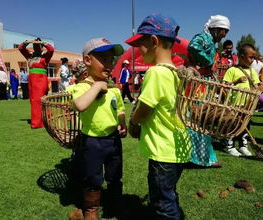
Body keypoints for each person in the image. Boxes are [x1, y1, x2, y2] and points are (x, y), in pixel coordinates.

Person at [126, 13, 191, 220]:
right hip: (178, 148)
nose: (138, 50)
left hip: (162, 151)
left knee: (162, 203)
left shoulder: (156, 73)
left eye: (140, 44)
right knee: (168, 193)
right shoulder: (175, 73)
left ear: (153, 41)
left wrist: (133, 122)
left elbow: (145, 108)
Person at [69, 38, 126, 220]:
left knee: (115, 174)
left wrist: (122, 122)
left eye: (111, 60)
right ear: (87, 61)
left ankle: (115, 204)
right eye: (104, 59)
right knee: (92, 177)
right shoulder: (81, 87)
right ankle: (91, 209)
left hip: (113, 139)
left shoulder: (114, 90)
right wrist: (96, 87)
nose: (109, 64)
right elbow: (80, 104)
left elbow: (120, 108)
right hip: (92, 142)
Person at [187, 15, 231, 167]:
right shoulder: (203, 37)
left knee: (203, 122)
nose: (225, 35)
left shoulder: (211, 41)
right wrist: (208, 61)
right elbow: (193, 46)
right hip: (197, 85)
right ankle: (198, 158)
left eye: (226, 31)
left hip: (204, 85)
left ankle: (207, 157)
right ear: (214, 28)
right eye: (223, 31)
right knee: (197, 120)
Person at [223, 43, 261, 157]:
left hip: (247, 105)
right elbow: (225, 85)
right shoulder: (232, 70)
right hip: (234, 104)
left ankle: (243, 145)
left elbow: (256, 85)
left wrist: (259, 89)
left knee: (245, 125)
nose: (252, 60)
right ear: (241, 56)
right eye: (251, 57)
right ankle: (229, 145)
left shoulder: (252, 71)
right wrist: (236, 82)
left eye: (254, 57)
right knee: (232, 124)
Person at [18, 37, 54, 128]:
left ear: (41, 46)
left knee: (37, 100)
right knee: (33, 100)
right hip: (31, 80)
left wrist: (43, 42)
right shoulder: (30, 55)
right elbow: (20, 48)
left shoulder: (45, 55)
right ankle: (45, 118)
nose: (35, 47)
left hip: (40, 80)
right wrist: (27, 42)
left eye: (37, 45)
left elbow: (51, 49)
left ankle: (37, 123)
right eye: (34, 45)